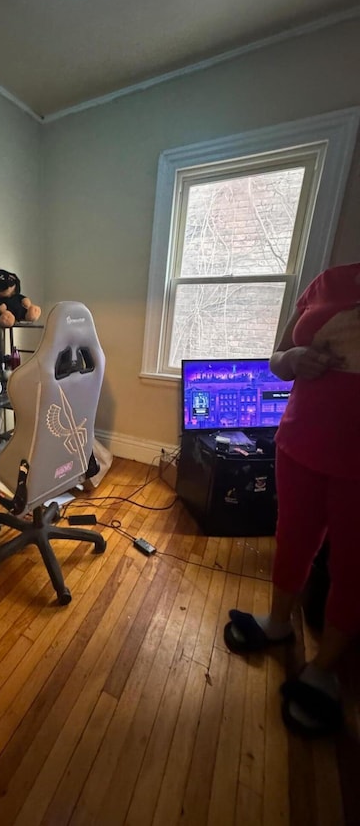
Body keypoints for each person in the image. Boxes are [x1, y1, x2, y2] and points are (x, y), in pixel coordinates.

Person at [223, 261, 360, 736]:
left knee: (352, 567)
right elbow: (277, 359)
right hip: (298, 443)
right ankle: (279, 623)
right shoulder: (329, 281)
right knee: (293, 538)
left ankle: (324, 670)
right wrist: (296, 357)